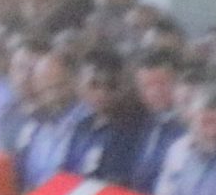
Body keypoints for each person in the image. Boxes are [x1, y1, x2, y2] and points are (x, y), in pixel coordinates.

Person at [63, 48, 152, 187]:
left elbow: (118, 183)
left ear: (123, 86)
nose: (102, 93)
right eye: (94, 85)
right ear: (79, 85)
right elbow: (66, 173)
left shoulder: (132, 130)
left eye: (111, 86)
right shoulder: (81, 127)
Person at [12, 47, 86, 191]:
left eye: (56, 86)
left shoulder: (86, 122)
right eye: (44, 88)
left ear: (73, 82)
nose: (51, 95)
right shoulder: (35, 125)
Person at [126, 47, 187, 192]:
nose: (155, 92)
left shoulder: (188, 126)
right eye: (147, 86)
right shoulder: (137, 122)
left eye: (162, 83)